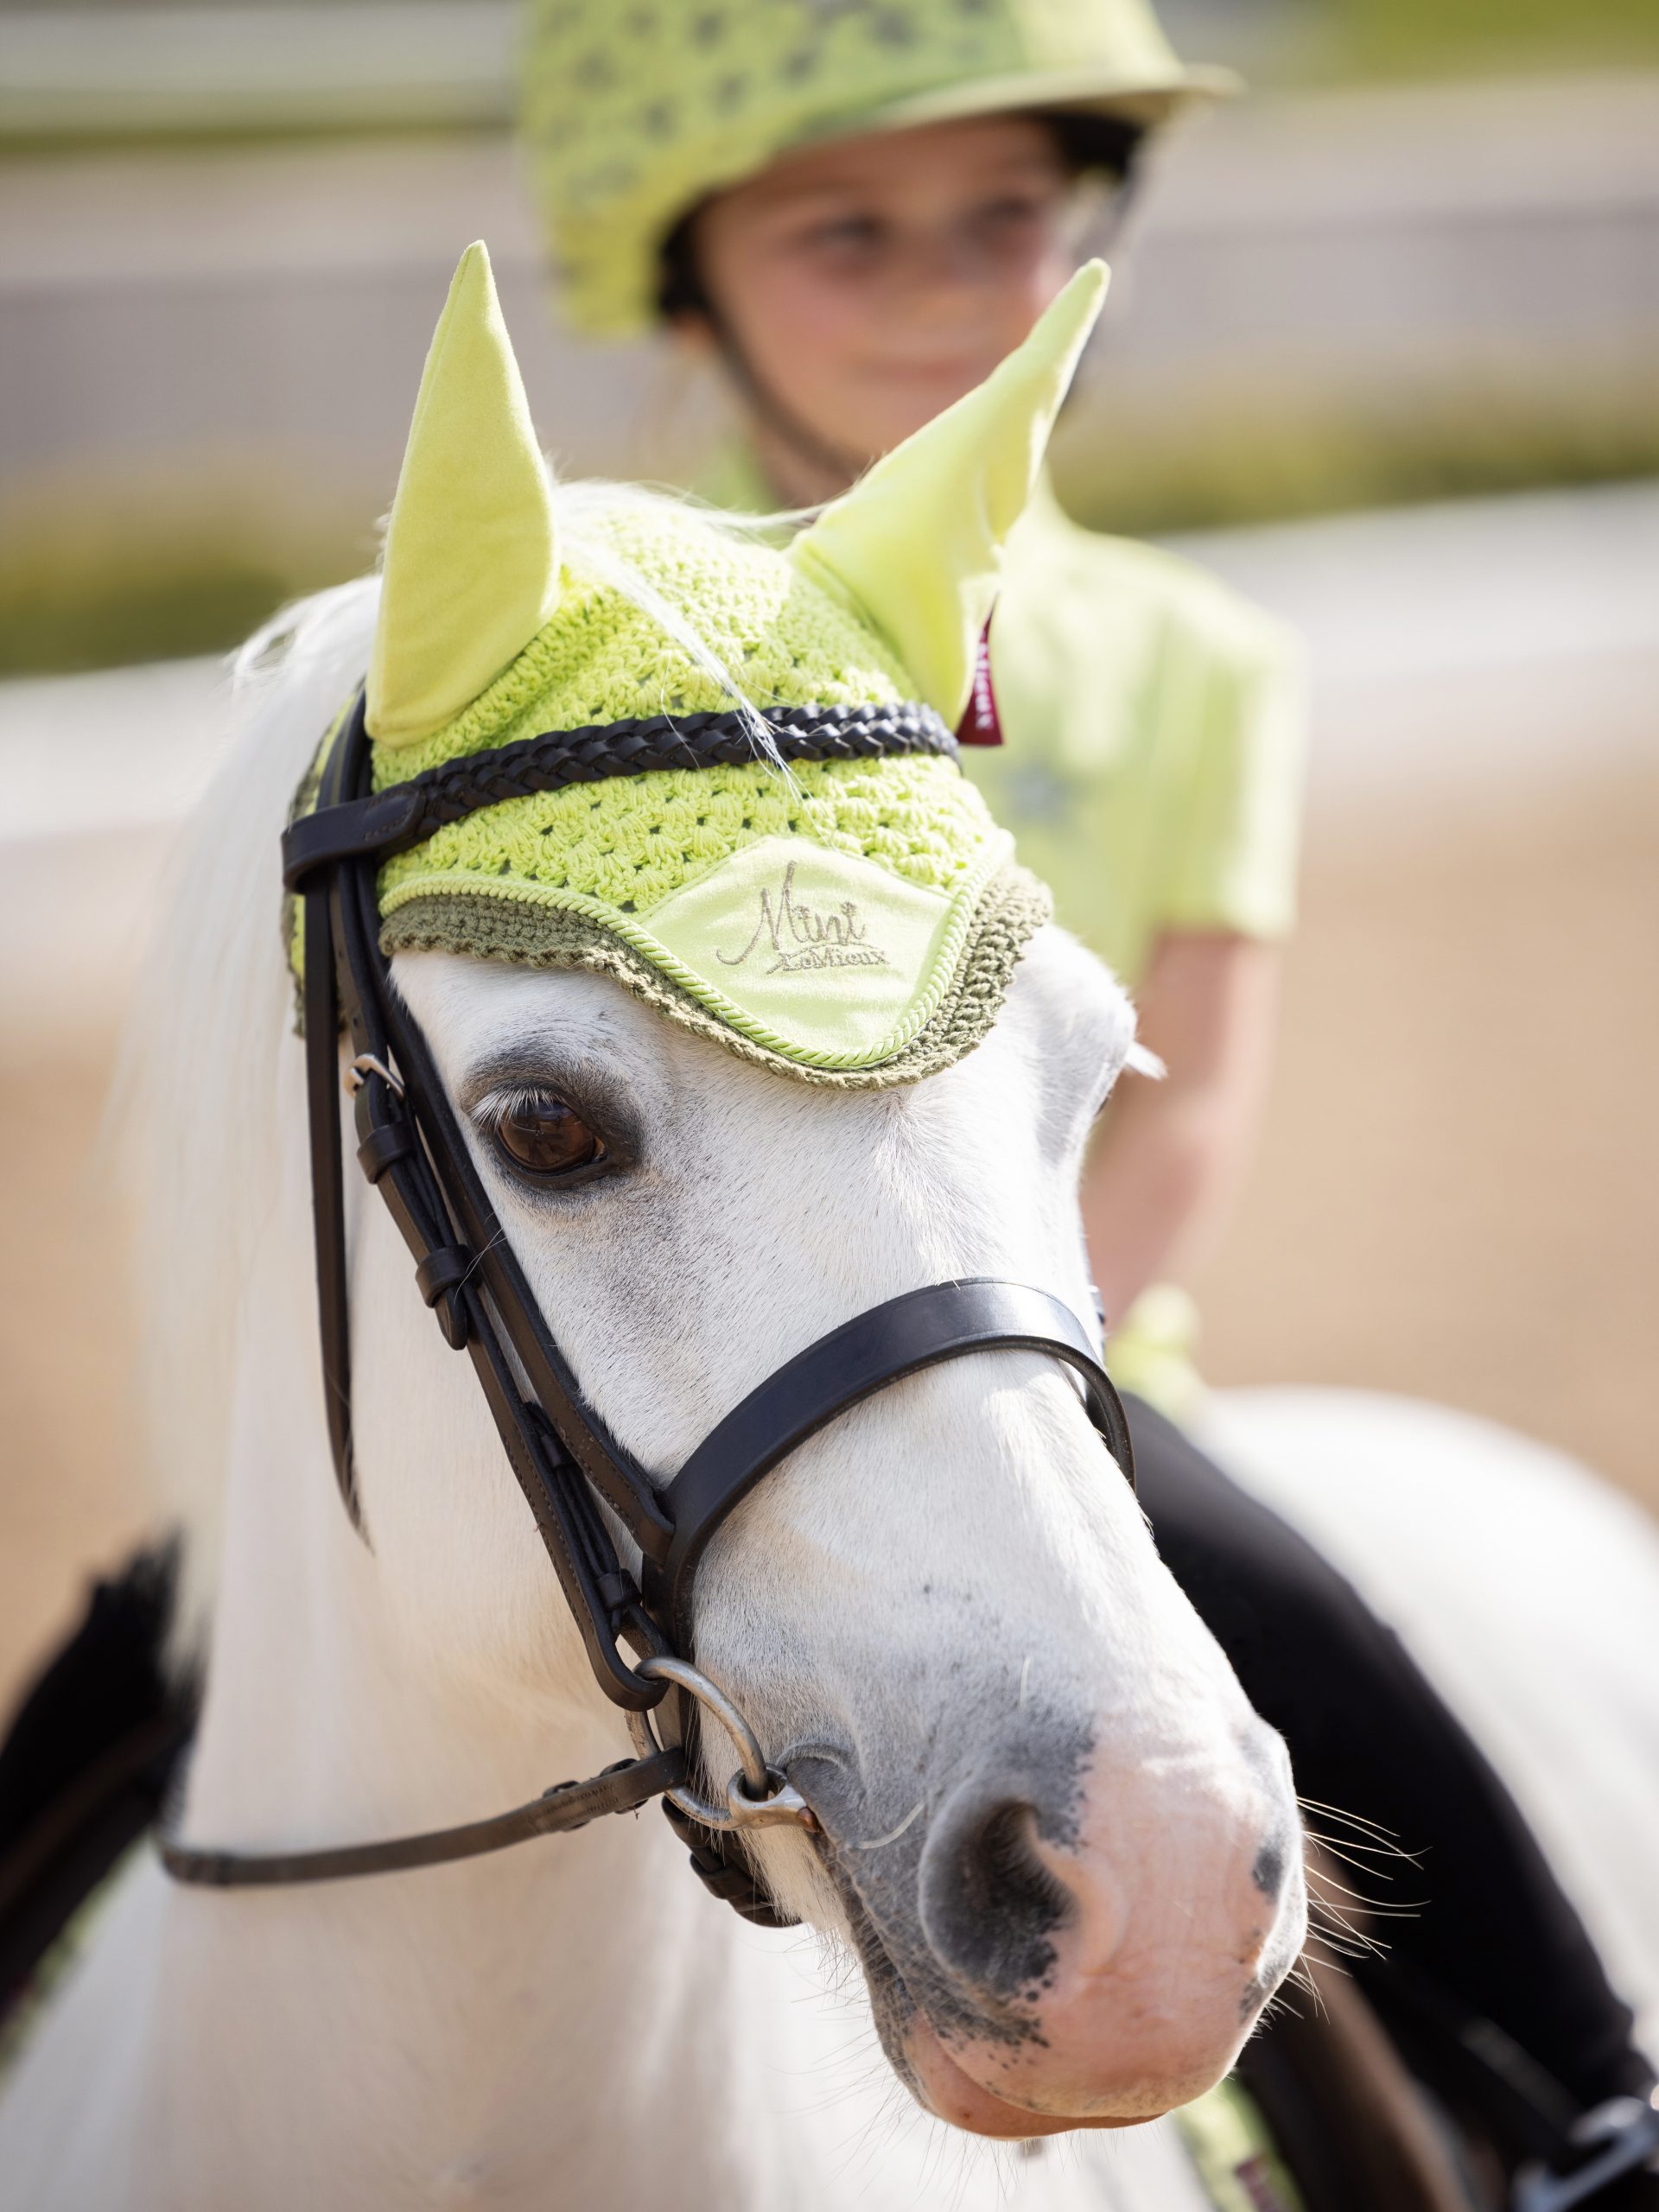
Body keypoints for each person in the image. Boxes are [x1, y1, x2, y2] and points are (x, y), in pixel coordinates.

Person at [517, 0, 1659, 2194]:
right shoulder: (588, 658)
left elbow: (1188, 1099)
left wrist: (1004, 1359)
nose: (941, 285)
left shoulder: (1195, 663)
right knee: (190, 1617)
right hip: (649, 1363)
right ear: (686, 286)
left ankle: (1584, 2109)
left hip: (1050, 1364)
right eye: (847, 232)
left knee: (1326, 1636)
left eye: (1003, 217)